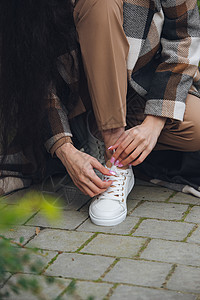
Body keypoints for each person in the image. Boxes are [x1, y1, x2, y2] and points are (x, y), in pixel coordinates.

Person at [0, 0, 200, 226]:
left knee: (195, 127)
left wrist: (153, 124)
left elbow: (185, 36)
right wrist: (65, 150)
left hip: (141, 84)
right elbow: (36, 76)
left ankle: (95, 131)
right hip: (75, 92)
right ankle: (115, 163)